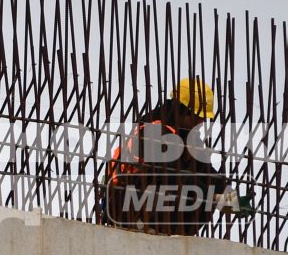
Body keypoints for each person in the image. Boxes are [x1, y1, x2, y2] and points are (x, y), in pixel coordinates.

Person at [96, 77, 251, 236]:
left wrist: (231, 197)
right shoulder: (153, 130)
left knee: (202, 196)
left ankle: (171, 231)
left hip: (155, 207)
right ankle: (145, 225)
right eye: (197, 118)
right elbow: (168, 177)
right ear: (181, 110)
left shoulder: (189, 138)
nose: (200, 123)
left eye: (203, 119)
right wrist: (213, 196)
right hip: (125, 204)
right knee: (192, 191)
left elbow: (207, 173)